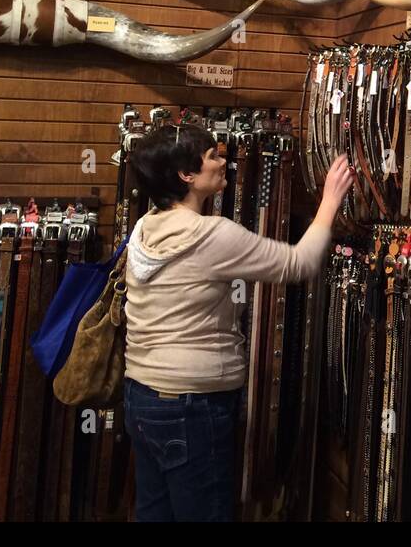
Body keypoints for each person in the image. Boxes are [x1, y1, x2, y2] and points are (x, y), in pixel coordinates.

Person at [122, 122, 353, 522]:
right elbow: (299, 262)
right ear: (186, 174)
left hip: (141, 397)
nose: (222, 161)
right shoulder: (210, 236)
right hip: (192, 408)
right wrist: (330, 200)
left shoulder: (145, 228)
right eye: (212, 156)